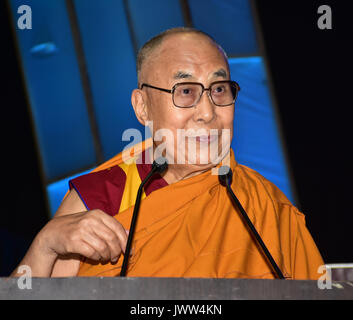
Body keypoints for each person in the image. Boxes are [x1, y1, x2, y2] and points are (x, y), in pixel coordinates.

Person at [11, 27, 324, 279]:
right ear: (142, 107)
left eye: (219, 90)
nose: (207, 112)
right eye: (186, 91)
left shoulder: (266, 206)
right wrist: (44, 246)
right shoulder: (104, 197)